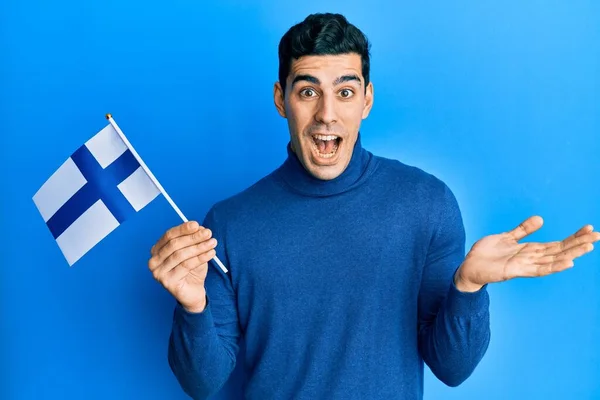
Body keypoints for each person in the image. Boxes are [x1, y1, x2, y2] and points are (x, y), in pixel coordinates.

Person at [147, 13, 599, 400]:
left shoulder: (427, 203)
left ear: (366, 100)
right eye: (308, 92)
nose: (327, 113)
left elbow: (452, 369)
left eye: (344, 91)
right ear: (281, 99)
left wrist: (468, 288)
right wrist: (193, 307)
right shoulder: (229, 223)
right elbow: (202, 383)